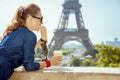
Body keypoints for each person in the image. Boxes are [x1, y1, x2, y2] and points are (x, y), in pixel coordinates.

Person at [0, 3, 62, 80]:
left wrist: (37, 45)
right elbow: (29, 66)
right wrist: (50, 63)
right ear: (30, 18)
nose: (41, 22)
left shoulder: (15, 31)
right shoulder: (30, 35)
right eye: (40, 18)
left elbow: (16, 54)